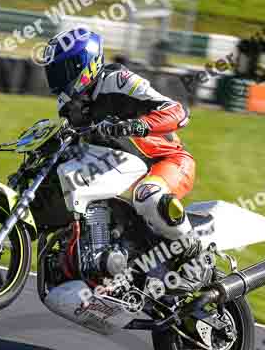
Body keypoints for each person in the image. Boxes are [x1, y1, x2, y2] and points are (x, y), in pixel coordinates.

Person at [43, 28, 212, 290]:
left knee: (149, 193)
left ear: (84, 64)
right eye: (53, 72)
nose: (57, 80)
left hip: (168, 160)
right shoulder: (75, 107)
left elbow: (178, 112)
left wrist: (135, 125)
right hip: (127, 171)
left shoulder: (117, 80)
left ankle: (197, 257)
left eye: (62, 71)